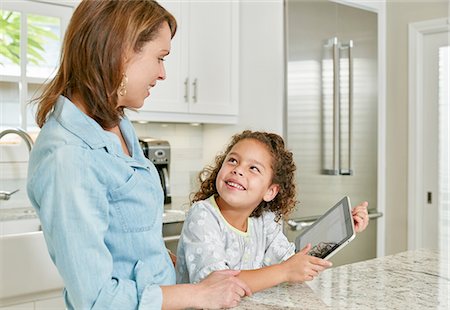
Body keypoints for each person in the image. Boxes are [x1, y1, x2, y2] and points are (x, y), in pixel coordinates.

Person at [26, 1, 251, 309]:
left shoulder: (115, 122)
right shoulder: (68, 158)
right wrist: (199, 294)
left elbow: (132, 243)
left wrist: (187, 267)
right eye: (159, 58)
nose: (163, 74)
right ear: (121, 52)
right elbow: (96, 300)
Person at [176, 130, 369, 292]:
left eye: (253, 168)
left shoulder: (263, 221)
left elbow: (290, 261)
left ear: (270, 191)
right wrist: (284, 271)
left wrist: (342, 227)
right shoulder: (203, 215)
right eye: (233, 160)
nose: (238, 170)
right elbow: (215, 284)